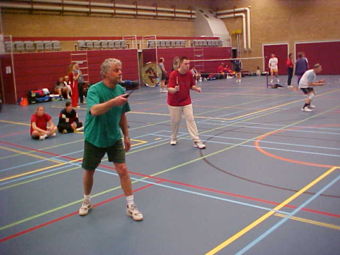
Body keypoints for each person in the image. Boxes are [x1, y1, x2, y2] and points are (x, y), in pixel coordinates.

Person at [79, 58, 143, 221]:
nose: (120, 72)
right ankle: (86, 200)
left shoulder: (120, 89)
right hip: (94, 137)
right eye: (116, 70)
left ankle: (131, 205)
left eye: (120, 69)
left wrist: (126, 135)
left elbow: (122, 114)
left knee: (122, 169)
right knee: (89, 170)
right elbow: (94, 110)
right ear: (106, 73)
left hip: (114, 136)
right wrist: (113, 102)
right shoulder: (94, 90)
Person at [167, 56, 206, 149]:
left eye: (189, 63)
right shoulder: (173, 74)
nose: (188, 65)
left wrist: (196, 88)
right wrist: (175, 90)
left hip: (186, 100)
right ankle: (173, 137)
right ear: (180, 64)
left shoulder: (189, 74)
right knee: (175, 122)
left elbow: (191, 85)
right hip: (174, 102)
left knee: (190, 119)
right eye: (185, 64)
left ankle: (196, 141)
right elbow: (169, 89)